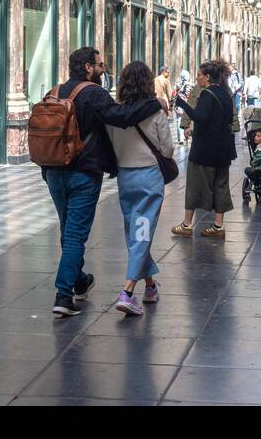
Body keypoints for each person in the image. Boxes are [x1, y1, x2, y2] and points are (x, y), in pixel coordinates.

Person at [41, 47, 162, 316]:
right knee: (75, 235)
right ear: (87, 67)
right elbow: (122, 118)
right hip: (83, 173)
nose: (103, 69)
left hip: (53, 171)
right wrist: (153, 104)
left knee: (67, 229)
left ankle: (80, 280)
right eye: (100, 64)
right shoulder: (93, 93)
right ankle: (63, 296)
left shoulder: (54, 91)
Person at [105, 60, 173, 316]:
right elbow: (167, 149)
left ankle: (151, 286)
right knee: (141, 235)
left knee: (135, 232)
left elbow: (111, 146)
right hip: (148, 179)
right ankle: (128, 292)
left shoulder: (114, 114)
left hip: (125, 178)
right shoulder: (155, 111)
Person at [172, 59, 237, 238]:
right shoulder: (225, 93)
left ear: (207, 77)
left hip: (205, 151)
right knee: (221, 186)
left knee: (194, 186)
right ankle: (218, 226)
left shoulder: (207, 94)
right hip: (223, 150)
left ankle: (186, 225)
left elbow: (201, 118)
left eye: (199, 76)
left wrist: (182, 103)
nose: (197, 79)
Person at [176, 70, 194, 146]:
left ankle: (181, 138)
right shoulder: (190, 85)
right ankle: (187, 137)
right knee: (187, 120)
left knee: (179, 121)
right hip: (187, 105)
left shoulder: (178, 85)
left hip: (179, 105)